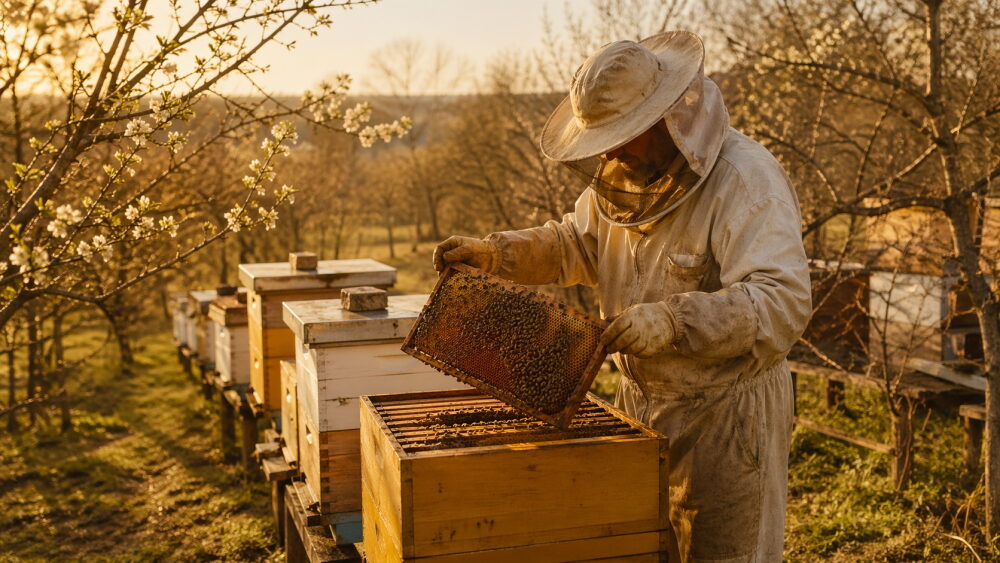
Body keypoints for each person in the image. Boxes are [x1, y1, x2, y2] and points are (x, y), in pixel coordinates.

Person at [433, 31, 810, 562]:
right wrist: (497, 254)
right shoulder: (626, 175)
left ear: (668, 116)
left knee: (722, 556)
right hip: (640, 407)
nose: (611, 151)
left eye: (624, 134)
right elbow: (572, 244)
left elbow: (782, 303)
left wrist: (674, 322)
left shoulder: (745, 180)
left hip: (724, 416)